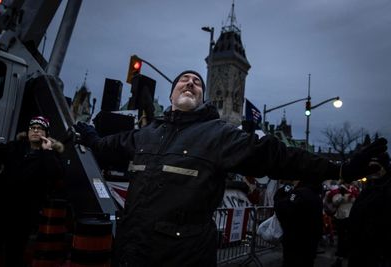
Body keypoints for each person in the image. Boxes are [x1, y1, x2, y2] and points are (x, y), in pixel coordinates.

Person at [73, 70, 388, 267]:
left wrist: (341, 169)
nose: (191, 83)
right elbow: (104, 146)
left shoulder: (218, 134)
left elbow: (278, 157)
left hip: (183, 256)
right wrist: (83, 132)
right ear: (170, 95)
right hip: (131, 252)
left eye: (197, 82)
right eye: (184, 79)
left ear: (202, 95)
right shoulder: (145, 134)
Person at [0, 115, 64, 267]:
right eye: (33, 128)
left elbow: (55, 173)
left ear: (46, 134)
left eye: (40, 128)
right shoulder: (15, 147)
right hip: (1, 207)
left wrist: (48, 151)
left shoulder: (49, 154)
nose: (36, 131)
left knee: (14, 251)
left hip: (24, 213)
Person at [347, 152, 391, 267]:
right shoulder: (370, 187)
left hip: (376, 254)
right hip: (359, 250)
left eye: (376, 166)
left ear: (385, 167)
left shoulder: (386, 189)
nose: (373, 170)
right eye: (370, 167)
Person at [274, 180, 324, 267]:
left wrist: (279, 195)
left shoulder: (299, 193)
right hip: (310, 243)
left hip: (295, 241)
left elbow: (283, 210)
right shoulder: (316, 196)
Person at [330, 182, 360, 267]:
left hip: (350, 217)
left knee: (350, 237)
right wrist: (343, 196)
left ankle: (346, 254)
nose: (348, 184)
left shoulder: (353, 190)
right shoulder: (339, 191)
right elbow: (335, 202)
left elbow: (356, 202)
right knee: (341, 238)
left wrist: (353, 195)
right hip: (341, 217)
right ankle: (339, 258)